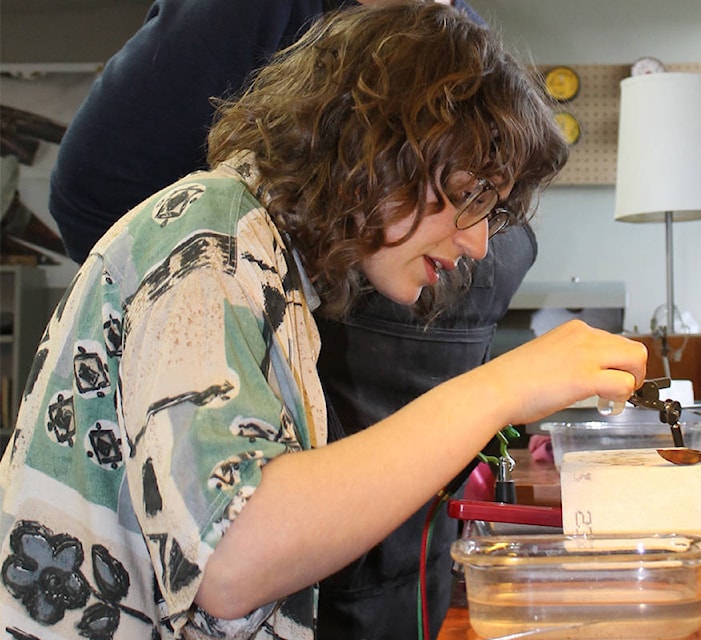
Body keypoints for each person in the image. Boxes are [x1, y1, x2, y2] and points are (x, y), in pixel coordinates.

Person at [0, 4, 648, 639]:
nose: (478, 245)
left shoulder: (276, 270)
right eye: (472, 198)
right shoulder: (211, 238)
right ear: (387, 149)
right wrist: (502, 387)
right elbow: (229, 563)